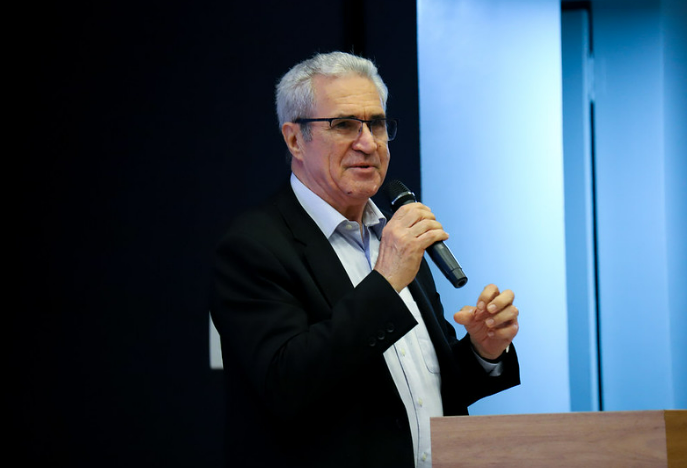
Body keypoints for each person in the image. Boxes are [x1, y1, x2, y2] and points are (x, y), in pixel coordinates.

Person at [211, 51, 520, 468]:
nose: (368, 143)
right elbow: (286, 386)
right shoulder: (253, 247)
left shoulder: (395, 236)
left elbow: (422, 392)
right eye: (343, 125)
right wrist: (386, 282)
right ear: (295, 139)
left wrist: (483, 350)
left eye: (376, 124)